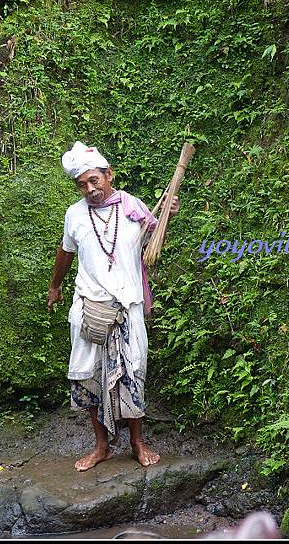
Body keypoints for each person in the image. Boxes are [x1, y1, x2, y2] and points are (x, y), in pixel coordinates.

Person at [47, 141, 179, 472]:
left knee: (133, 373)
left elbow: (151, 243)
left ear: (109, 175)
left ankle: (136, 442)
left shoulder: (132, 206)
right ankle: (102, 446)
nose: (90, 189)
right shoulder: (74, 215)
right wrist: (55, 286)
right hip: (89, 308)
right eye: (82, 184)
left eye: (95, 180)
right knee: (89, 377)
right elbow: (66, 252)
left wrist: (166, 217)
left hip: (127, 307)